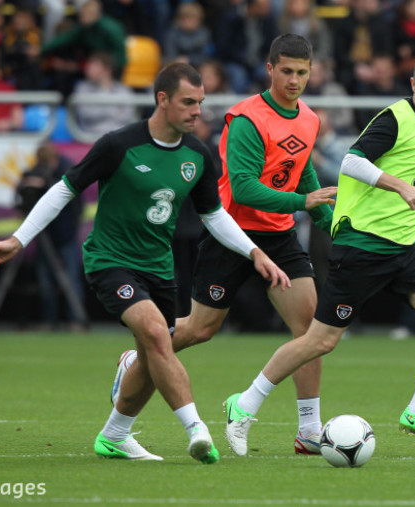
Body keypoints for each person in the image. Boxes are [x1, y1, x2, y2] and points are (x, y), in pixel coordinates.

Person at [0, 62, 290, 464]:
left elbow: (214, 215)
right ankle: (198, 430)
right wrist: (18, 239)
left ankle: (114, 435)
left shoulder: (199, 155)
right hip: (110, 260)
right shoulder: (119, 144)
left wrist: (255, 252)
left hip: (160, 269)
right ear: (162, 100)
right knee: (158, 335)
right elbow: (64, 189)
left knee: (153, 352)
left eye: (201, 103)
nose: (198, 111)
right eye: (188, 103)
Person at [223, 50, 415, 456]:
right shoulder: (395, 118)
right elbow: (351, 163)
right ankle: (245, 403)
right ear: (412, 84)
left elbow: (411, 178)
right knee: (320, 341)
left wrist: (414, 223)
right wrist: (401, 188)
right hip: (363, 245)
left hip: (403, 245)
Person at [113, 33, 337, 455]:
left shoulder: (309, 118)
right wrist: (304, 202)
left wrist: (328, 219)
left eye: (302, 73)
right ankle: (135, 356)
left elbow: (303, 173)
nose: (294, 80)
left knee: (309, 329)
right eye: (286, 71)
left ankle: (309, 431)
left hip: (281, 235)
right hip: (232, 234)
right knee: (200, 330)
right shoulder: (247, 118)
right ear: (269, 69)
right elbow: (246, 189)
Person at [15, 142, 86, 331]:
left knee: (71, 279)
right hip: (44, 234)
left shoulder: (68, 173)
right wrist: (26, 185)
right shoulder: (33, 173)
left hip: (65, 233)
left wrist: (46, 184)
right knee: (45, 280)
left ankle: (75, 320)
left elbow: (76, 205)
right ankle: (49, 320)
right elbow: (20, 199)